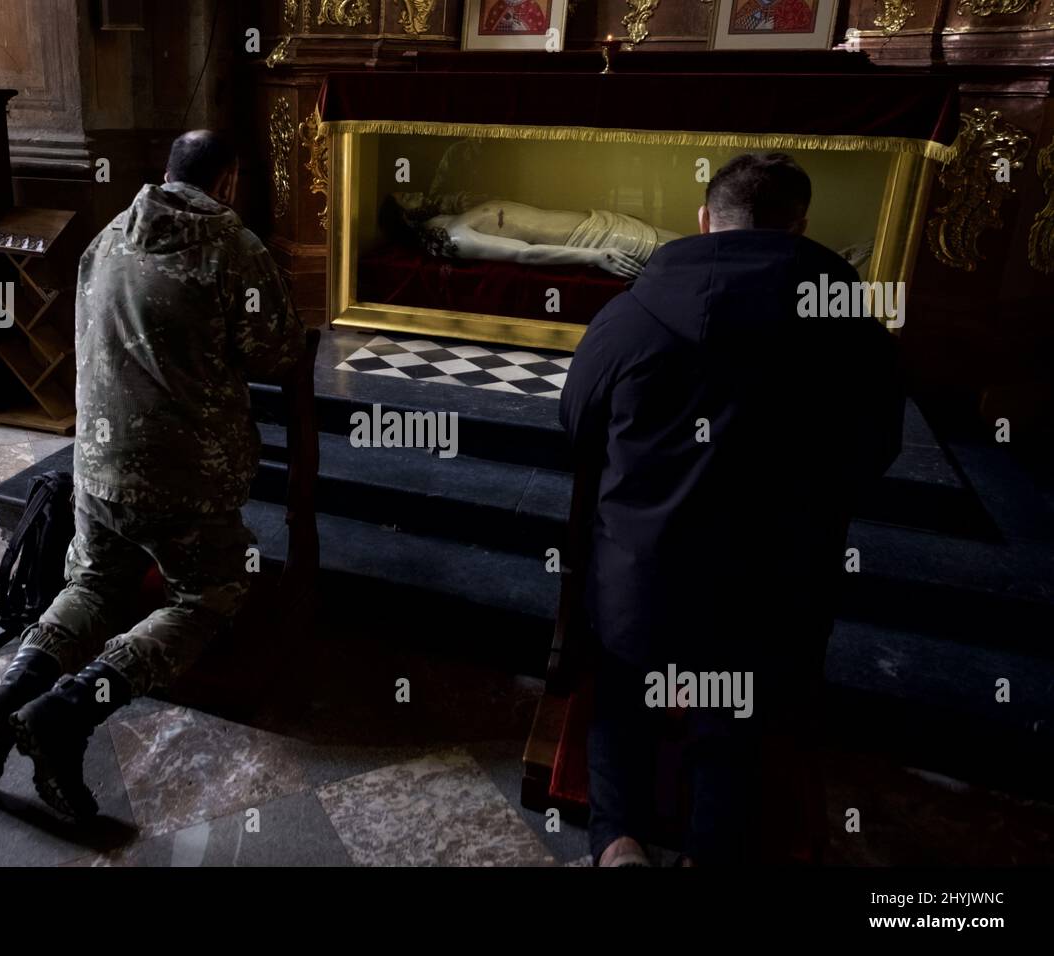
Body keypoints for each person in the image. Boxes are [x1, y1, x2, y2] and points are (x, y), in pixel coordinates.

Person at [0, 130, 306, 819]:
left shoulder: (107, 236)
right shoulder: (234, 249)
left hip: (96, 468)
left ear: (166, 173)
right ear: (227, 183)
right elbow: (279, 349)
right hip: (187, 478)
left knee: (95, 584)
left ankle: (2, 700)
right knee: (205, 597)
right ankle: (69, 714)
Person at [559, 153, 903, 866]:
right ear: (800, 227)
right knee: (737, 718)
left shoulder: (630, 317)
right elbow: (875, 450)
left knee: (623, 701)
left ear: (704, 221)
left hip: (641, 579)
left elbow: (577, 422)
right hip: (776, 587)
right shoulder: (850, 329)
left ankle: (619, 843)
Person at [385, 192, 681, 279]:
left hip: (601, 221)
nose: (415, 192)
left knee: (695, 247)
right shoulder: (457, 237)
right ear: (407, 219)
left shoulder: (456, 213)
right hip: (597, 240)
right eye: (406, 199)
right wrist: (594, 255)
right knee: (693, 253)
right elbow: (523, 253)